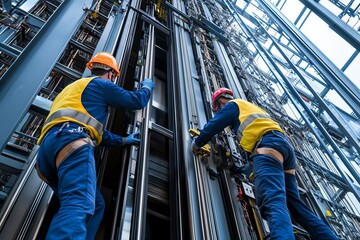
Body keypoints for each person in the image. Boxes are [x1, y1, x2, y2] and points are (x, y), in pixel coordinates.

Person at [191, 87, 338, 240]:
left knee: (273, 200)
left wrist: (198, 142)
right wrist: (240, 170)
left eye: (218, 108)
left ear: (221, 102)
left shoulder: (233, 105)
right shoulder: (251, 109)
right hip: (284, 151)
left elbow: (216, 123)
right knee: (297, 207)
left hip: (268, 146)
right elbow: (253, 159)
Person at [36, 52, 154, 239]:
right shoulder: (100, 84)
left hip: (46, 153)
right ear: (111, 73)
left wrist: (122, 140)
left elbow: (94, 128)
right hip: (71, 141)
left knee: (96, 204)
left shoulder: (72, 88)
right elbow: (136, 101)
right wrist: (147, 87)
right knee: (79, 202)